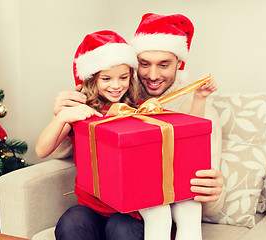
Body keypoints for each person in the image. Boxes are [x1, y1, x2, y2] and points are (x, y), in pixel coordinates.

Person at [51, 13, 225, 240]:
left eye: (164, 64)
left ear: (179, 64)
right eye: (144, 64)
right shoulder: (119, 96)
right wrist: (61, 115)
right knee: (73, 222)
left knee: (127, 226)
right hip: (99, 203)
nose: (153, 75)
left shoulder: (199, 109)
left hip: (141, 210)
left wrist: (214, 190)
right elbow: (59, 151)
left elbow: (203, 193)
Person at [36, 30, 142, 240]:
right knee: (71, 223)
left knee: (122, 229)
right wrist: (62, 117)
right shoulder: (80, 110)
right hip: (90, 206)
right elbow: (41, 150)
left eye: (123, 77)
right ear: (92, 79)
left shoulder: (138, 110)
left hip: (130, 209)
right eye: (106, 78)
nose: (116, 85)